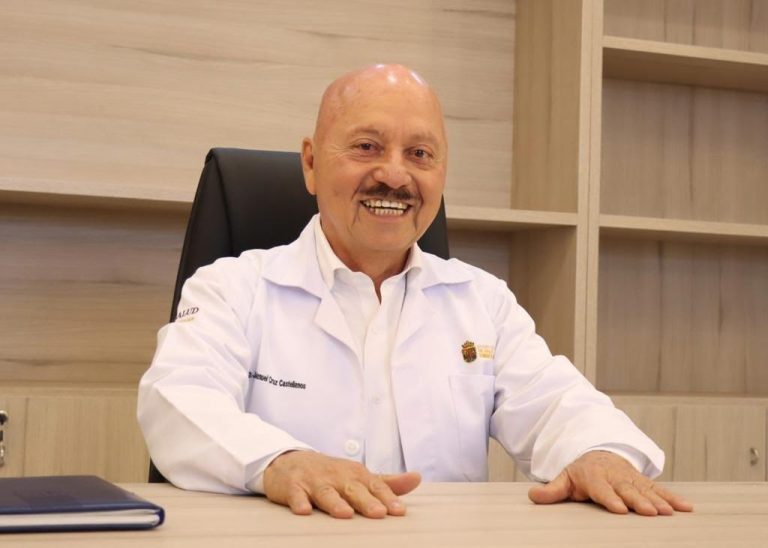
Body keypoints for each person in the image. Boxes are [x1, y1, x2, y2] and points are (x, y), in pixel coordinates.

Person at [137, 64, 693, 519]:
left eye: (420, 155)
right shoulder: (233, 288)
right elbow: (177, 402)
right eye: (367, 146)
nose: (395, 176)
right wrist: (281, 462)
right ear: (310, 163)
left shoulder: (482, 302)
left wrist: (598, 452)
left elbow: (555, 404)